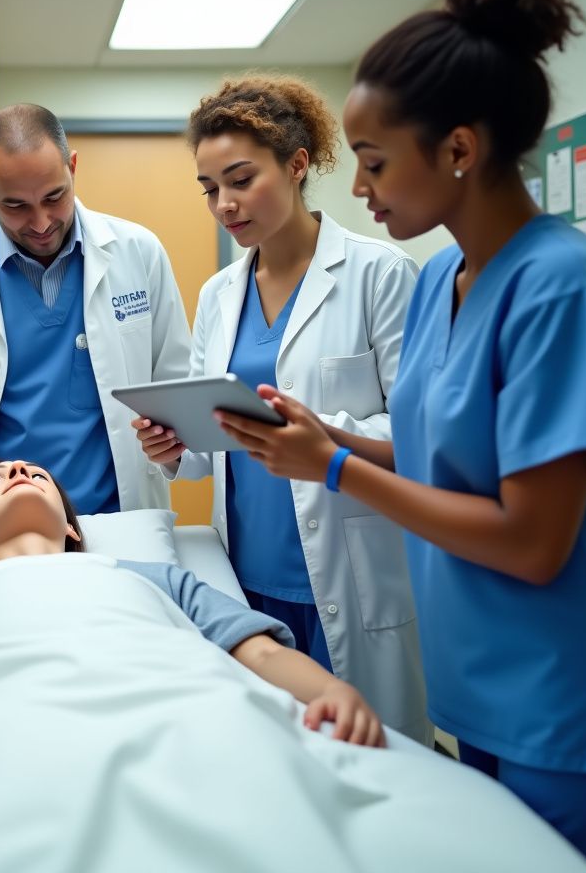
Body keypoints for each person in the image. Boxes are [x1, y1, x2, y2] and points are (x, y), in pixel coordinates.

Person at [217, 0, 586, 873]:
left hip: (583, 714)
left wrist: (332, 470)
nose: (359, 188)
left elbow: (533, 540)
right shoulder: (446, 274)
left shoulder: (562, 290)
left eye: (373, 163)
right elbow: (445, 459)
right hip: (484, 700)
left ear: (458, 148)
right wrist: (337, 440)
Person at [132, 74, 428, 743]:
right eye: (209, 189)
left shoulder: (379, 273)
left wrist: (324, 430)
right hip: (247, 575)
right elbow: (218, 443)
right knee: (271, 758)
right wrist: (177, 442)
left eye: (240, 180)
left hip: (350, 578)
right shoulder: (218, 294)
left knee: (366, 763)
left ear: (297, 165)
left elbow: (422, 433)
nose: (225, 204)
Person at [0, 458, 385, 751]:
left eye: (35, 474)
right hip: (0, 729)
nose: (19, 469)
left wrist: (330, 691)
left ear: (74, 531)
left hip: (174, 724)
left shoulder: (156, 579)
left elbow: (256, 652)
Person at [0, 104, 191, 514]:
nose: (40, 223)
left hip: (115, 518)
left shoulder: (138, 254)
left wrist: (173, 438)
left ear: (72, 167)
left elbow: (176, 384)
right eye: (16, 205)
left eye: (54, 197)